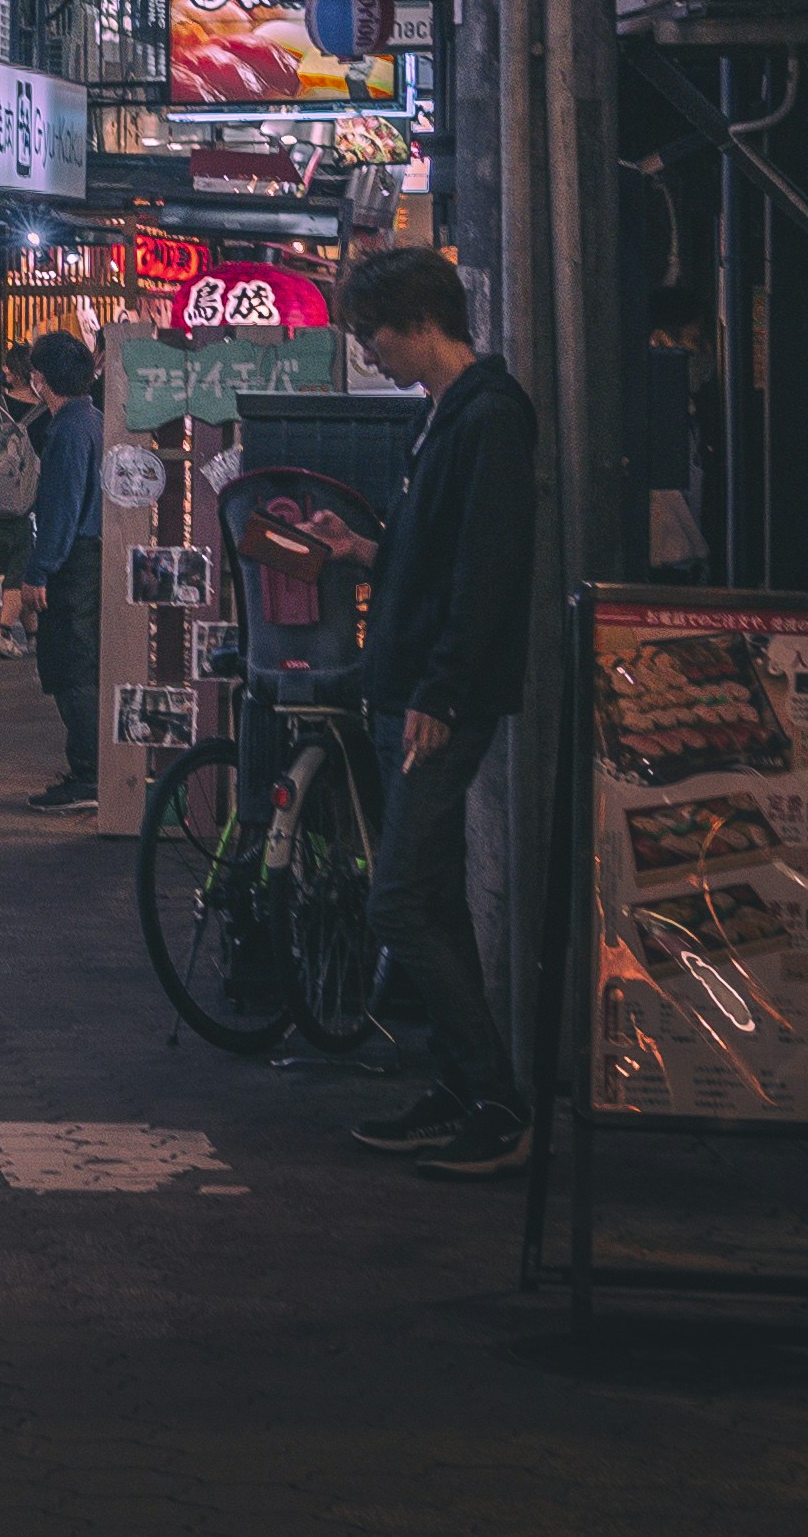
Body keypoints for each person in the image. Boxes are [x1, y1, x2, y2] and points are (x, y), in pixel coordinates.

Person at [338, 247, 540, 1179]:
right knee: (433, 896)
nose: (367, 351)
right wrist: (365, 550)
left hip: (433, 700)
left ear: (420, 320)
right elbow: (436, 558)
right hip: (411, 686)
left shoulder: (488, 418)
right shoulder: (445, 416)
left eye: (372, 333)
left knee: (399, 901)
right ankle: (464, 1089)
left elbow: (485, 570)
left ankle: (496, 1103)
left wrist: (441, 691)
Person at [18, 331, 103, 815]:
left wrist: (40, 568)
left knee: (70, 669)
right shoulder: (91, 420)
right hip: (86, 555)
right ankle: (87, 768)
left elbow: (61, 508)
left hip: (72, 562)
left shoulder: (68, 430)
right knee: (79, 665)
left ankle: (89, 774)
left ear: (40, 378)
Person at [0, 345, 48, 660]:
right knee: (20, 570)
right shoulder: (45, 412)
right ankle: (3, 633)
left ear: (9, 371)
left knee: (16, 568)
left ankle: (34, 637)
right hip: (25, 502)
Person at [636, 282, 710, 579]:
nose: (701, 350)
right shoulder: (656, 414)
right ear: (661, 339)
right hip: (669, 565)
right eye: (694, 338)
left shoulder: (684, 409)